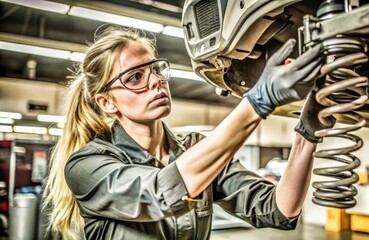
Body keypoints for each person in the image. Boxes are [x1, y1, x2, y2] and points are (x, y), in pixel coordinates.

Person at [43, 25, 331, 240]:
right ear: (107, 103)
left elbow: (279, 209)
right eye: (135, 77)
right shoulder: (87, 165)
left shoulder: (195, 148)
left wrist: (306, 133)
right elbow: (159, 193)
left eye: (155, 69)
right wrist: (258, 100)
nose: (155, 81)